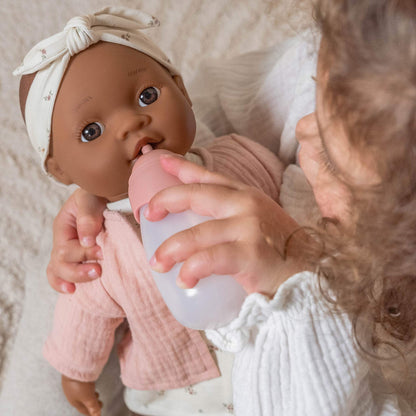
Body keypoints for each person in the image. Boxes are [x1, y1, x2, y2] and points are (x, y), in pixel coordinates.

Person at [47, 0, 416, 414]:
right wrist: (102, 186)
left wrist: (297, 289)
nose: (302, 130)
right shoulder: (353, 47)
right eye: (317, 91)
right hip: (176, 388)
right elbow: (214, 102)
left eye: (331, 158)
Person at [14, 6, 286, 416]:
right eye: (92, 131)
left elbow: (291, 198)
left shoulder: (239, 159)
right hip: (183, 392)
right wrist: (77, 374)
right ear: (60, 170)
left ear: (182, 90)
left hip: (277, 349)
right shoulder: (98, 245)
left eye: (146, 96)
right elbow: (83, 315)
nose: (131, 123)